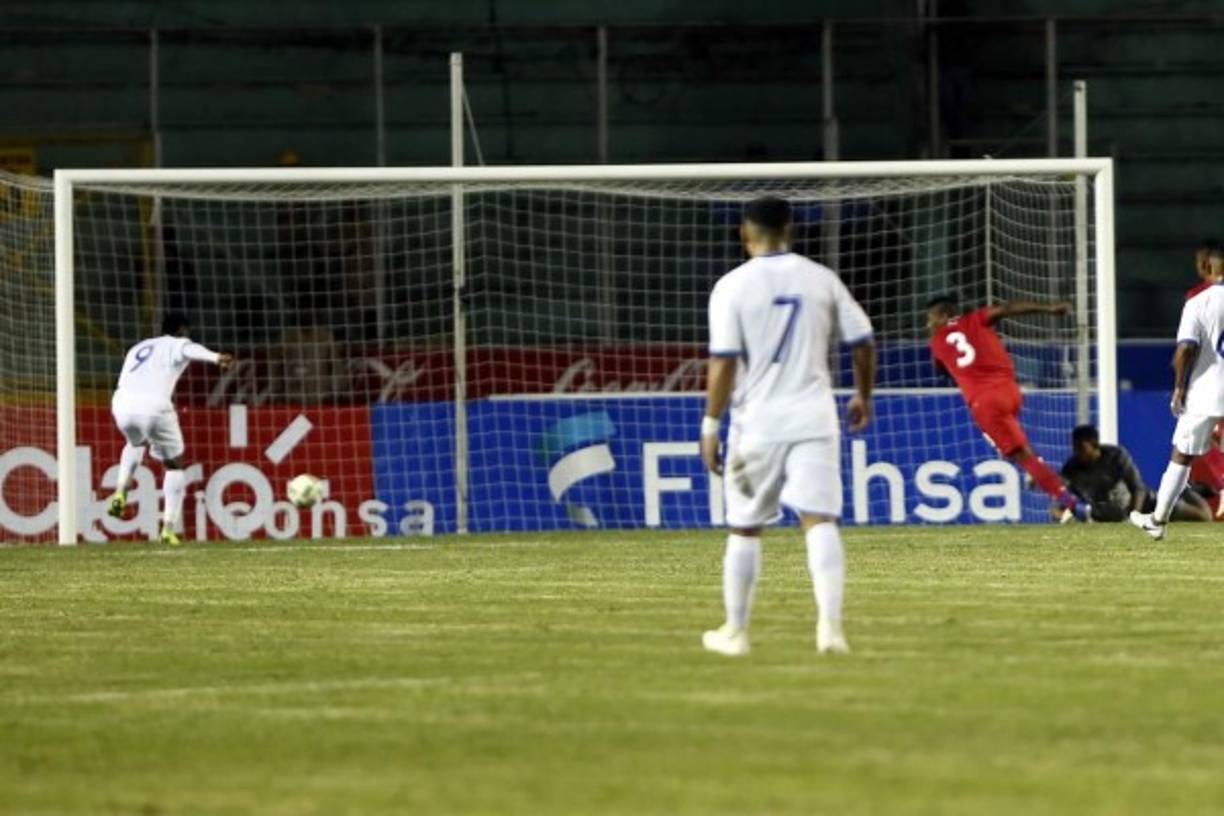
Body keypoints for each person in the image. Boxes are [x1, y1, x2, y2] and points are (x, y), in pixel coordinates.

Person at [699, 196, 876, 657]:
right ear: (792, 230)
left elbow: (722, 363)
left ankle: (735, 633)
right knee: (819, 522)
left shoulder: (731, 287)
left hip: (756, 423)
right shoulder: (821, 279)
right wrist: (863, 393)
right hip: (814, 418)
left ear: (744, 233)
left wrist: (709, 424)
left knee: (744, 528)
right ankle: (830, 629)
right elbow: (862, 341)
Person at [926, 295, 1089, 523]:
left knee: (1021, 456)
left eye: (931, 319)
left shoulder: (936, 341)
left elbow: (940, 369)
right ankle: (1037, 470)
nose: (928, 324)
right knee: (1020, 448)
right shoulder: (977, 317)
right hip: (1011, 391)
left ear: (943, 315)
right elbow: (1008, 308)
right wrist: (1050, 308)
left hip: (985, 401)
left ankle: (1074, 507)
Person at [106, 313, 234, 546]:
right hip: (154, 407)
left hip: (122, 405)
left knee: (135, 443)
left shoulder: (139, 347)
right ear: (182, 330)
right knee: (174, 465)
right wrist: (216, 358)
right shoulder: (178, 344)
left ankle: (120, 490)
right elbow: (190, 350)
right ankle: (168, 529)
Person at [1131, 260, 1224, 540]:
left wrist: (1179, 388)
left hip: (1206, 392)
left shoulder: (1200, 302)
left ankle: (1158, 521)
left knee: (1182, 455)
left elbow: (1185, 349)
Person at [1060, 424, 1209, 522]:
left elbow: (1138, 488)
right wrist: (1063, 515)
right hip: (1109, 517)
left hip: (1146, 505)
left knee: (1203, 517)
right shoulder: (1071, 469)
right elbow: (1062, 499)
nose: (1077, 452)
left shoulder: (1116, 456)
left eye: (1081, 447)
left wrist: (1134, 517)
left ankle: (1186, 490)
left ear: (1094, 445)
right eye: (1074, 447)